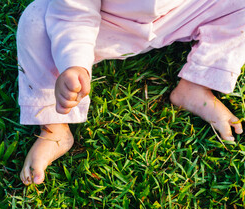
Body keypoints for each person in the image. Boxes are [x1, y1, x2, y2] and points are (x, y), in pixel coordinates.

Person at [16, 0, 245, 185]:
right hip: (109, 24)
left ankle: (196, 85)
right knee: (36, 20)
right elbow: (74, 12)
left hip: (182, 13)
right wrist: (74, 62)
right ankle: (54, 128)